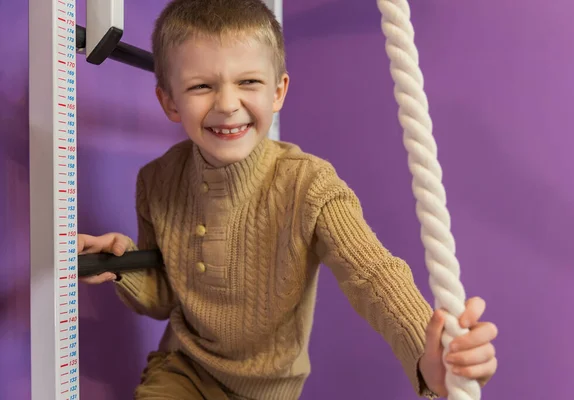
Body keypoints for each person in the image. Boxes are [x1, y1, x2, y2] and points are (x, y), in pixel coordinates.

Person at [78, 0, 498, 398]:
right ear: (169, 101)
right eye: (202, 86)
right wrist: (122, 264)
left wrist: (429, 355)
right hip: (183, 369)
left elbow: (373, 275)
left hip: (267, 388)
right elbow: (164, 298)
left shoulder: (308, 184)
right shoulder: (157, 180)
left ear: (277, 92)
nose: (227, 104)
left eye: (249, 82)